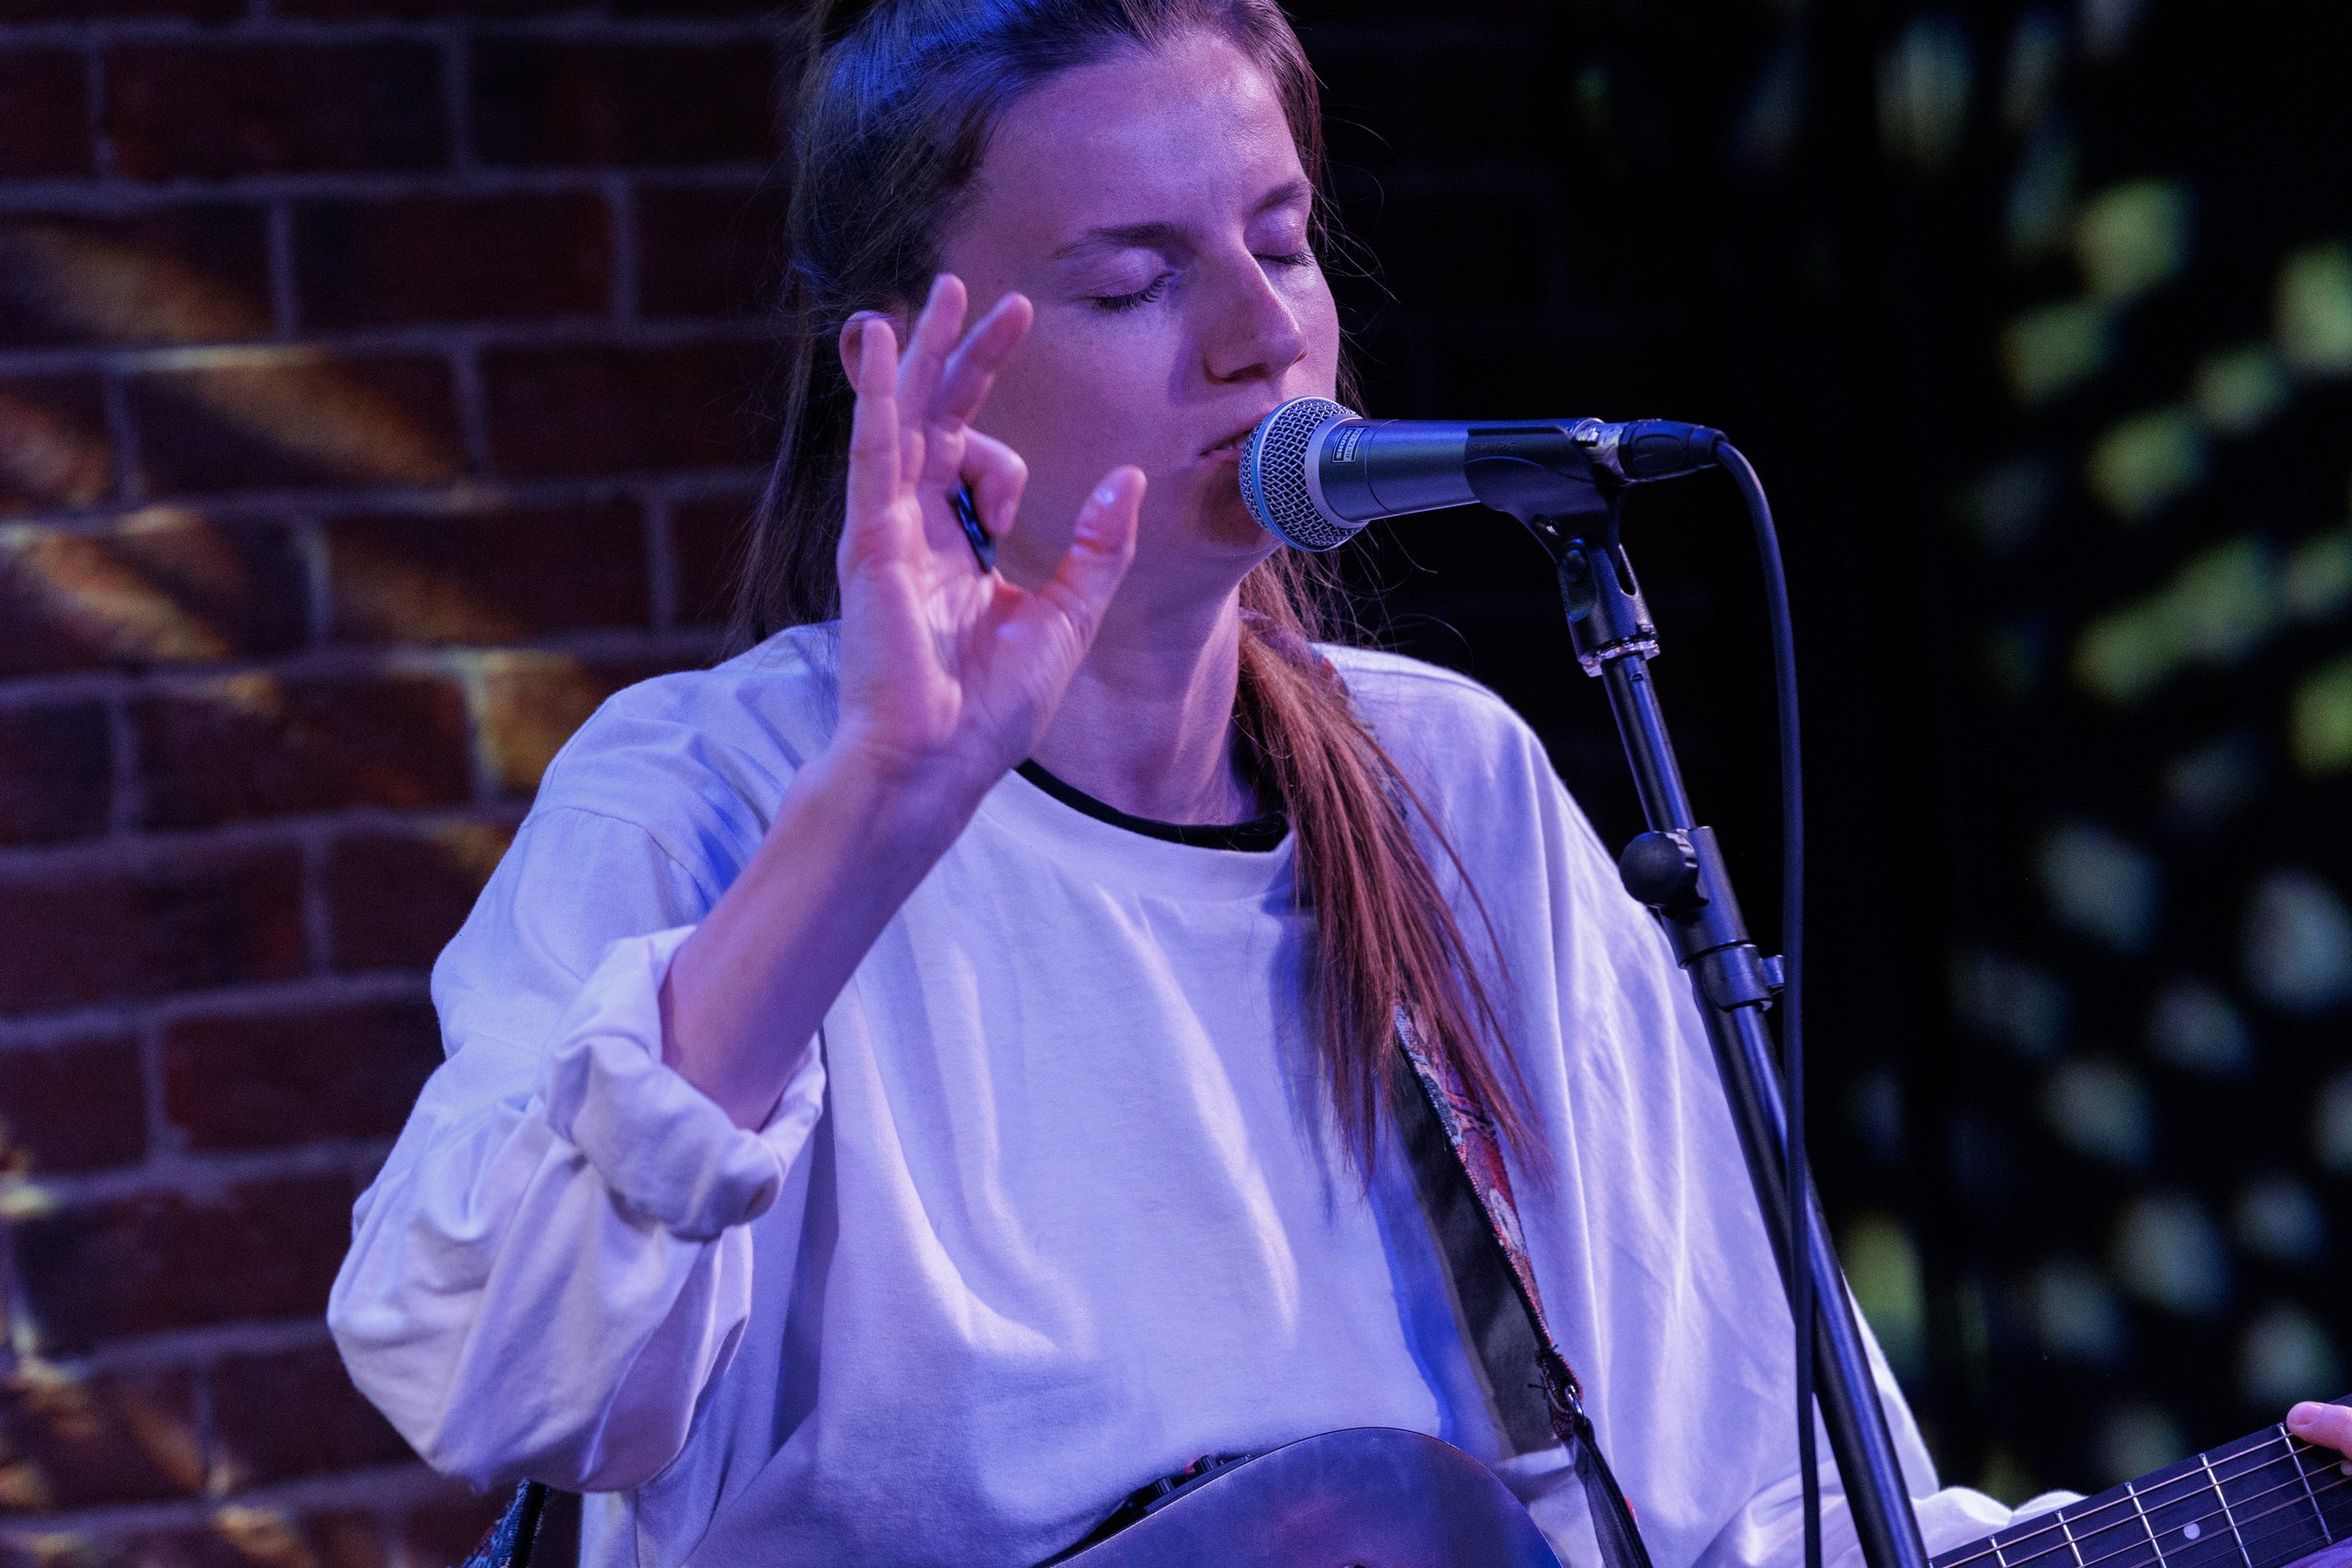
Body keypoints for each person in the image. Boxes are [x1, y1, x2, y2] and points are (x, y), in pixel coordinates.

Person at [325, 2, 2352, 1564]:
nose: (1253, 340)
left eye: (1278, 245)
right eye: (1130, 281)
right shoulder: (701, 793)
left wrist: (2265, 1511)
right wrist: (872, 812)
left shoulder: (1446, 783)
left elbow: (1745, 1497)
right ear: (905, 367)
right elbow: (482, 1366)